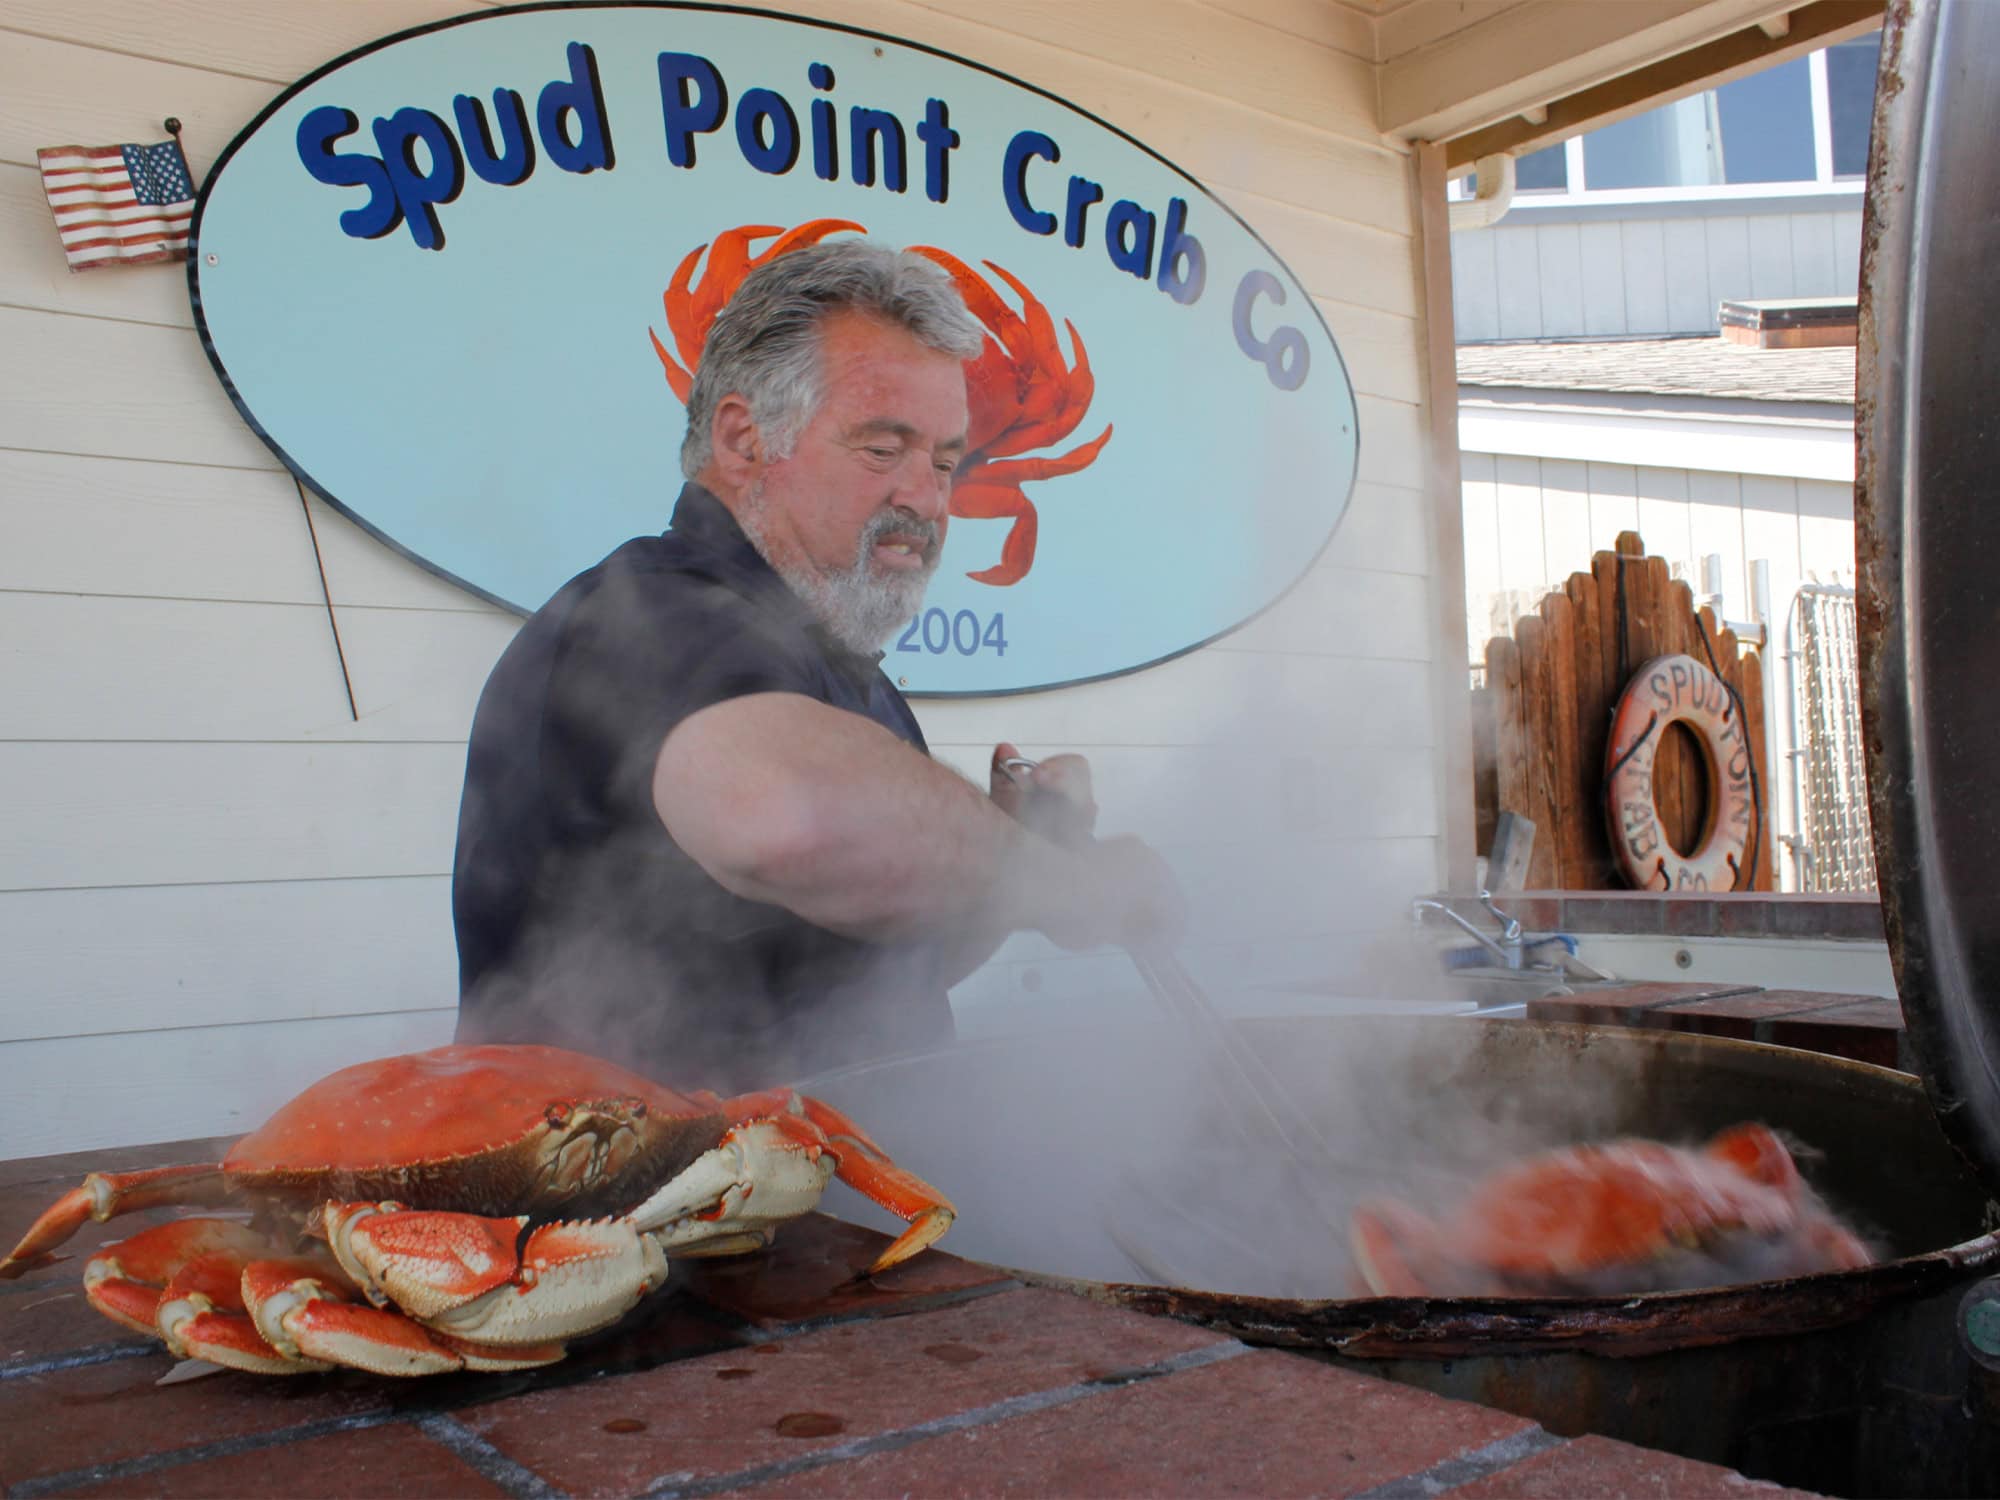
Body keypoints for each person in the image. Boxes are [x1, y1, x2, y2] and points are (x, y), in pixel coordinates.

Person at [451, 238, 1184, 1090]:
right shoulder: (649, 611)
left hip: (846, 1206)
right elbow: (787, 820)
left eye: (947, 461)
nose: (928, 498)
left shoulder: (843, 667)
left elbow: (885, 967)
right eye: (883, 449)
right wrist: (1071, 888)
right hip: (635, 1212)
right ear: (741, 438)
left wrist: (1014, 851)